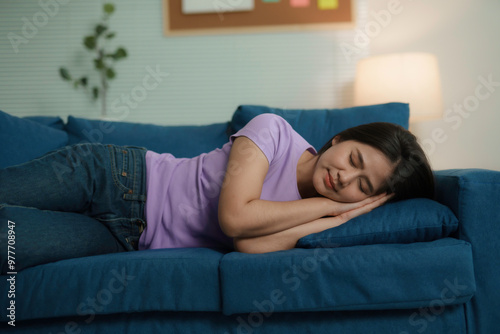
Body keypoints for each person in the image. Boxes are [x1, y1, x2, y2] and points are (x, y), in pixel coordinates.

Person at [0, 113, 434, 272]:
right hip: (115, 175)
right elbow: (235, 219)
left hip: (126, 237)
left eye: (363, 187)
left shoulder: (319, 216)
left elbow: (248, 245)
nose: (345, 180)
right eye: (355, 161)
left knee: (10, 244)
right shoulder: (273, 131)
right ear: (340, 139)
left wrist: (336, 220)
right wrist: (326, 207)